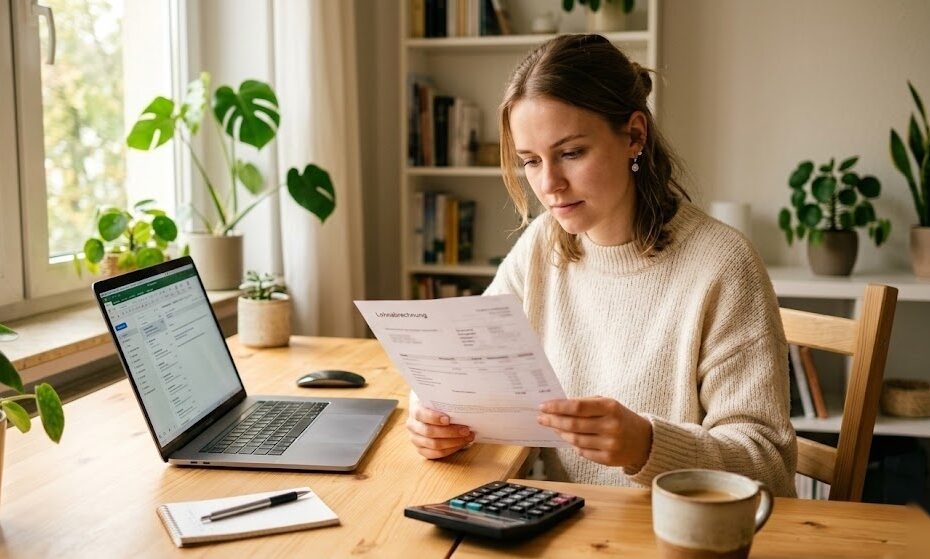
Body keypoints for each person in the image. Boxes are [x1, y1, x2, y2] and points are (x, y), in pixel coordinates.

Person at [405, 34, 797, 496]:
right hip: (568, 524)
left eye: (571, 153)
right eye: (531, 161)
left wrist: (648, 445)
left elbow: (768, 465)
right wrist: (431, 414)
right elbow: (466, 369)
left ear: (634, 135)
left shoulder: (724, 266)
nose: (548, 184)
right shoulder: (542, 246)